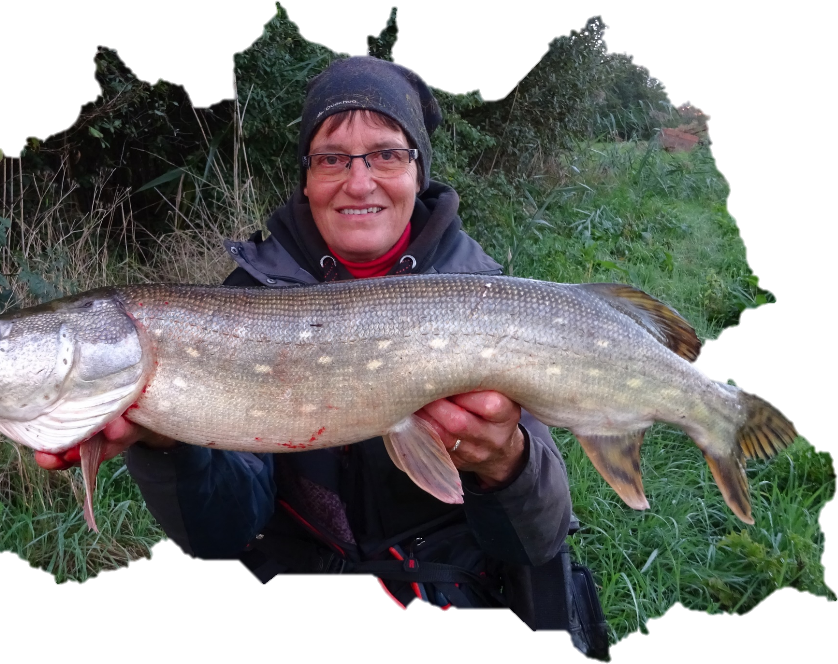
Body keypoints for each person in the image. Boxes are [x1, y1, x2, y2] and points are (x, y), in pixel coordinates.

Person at [36, 55, 608, 658]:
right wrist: (165, 446)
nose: (359, 182)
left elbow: (536, 541)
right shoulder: (246, 303)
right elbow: (219, 535)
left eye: (387, 154)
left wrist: (505, 466)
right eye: (332, 158)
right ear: (306, 179)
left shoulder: (483, 299)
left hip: (451, 589)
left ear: (418, 172)